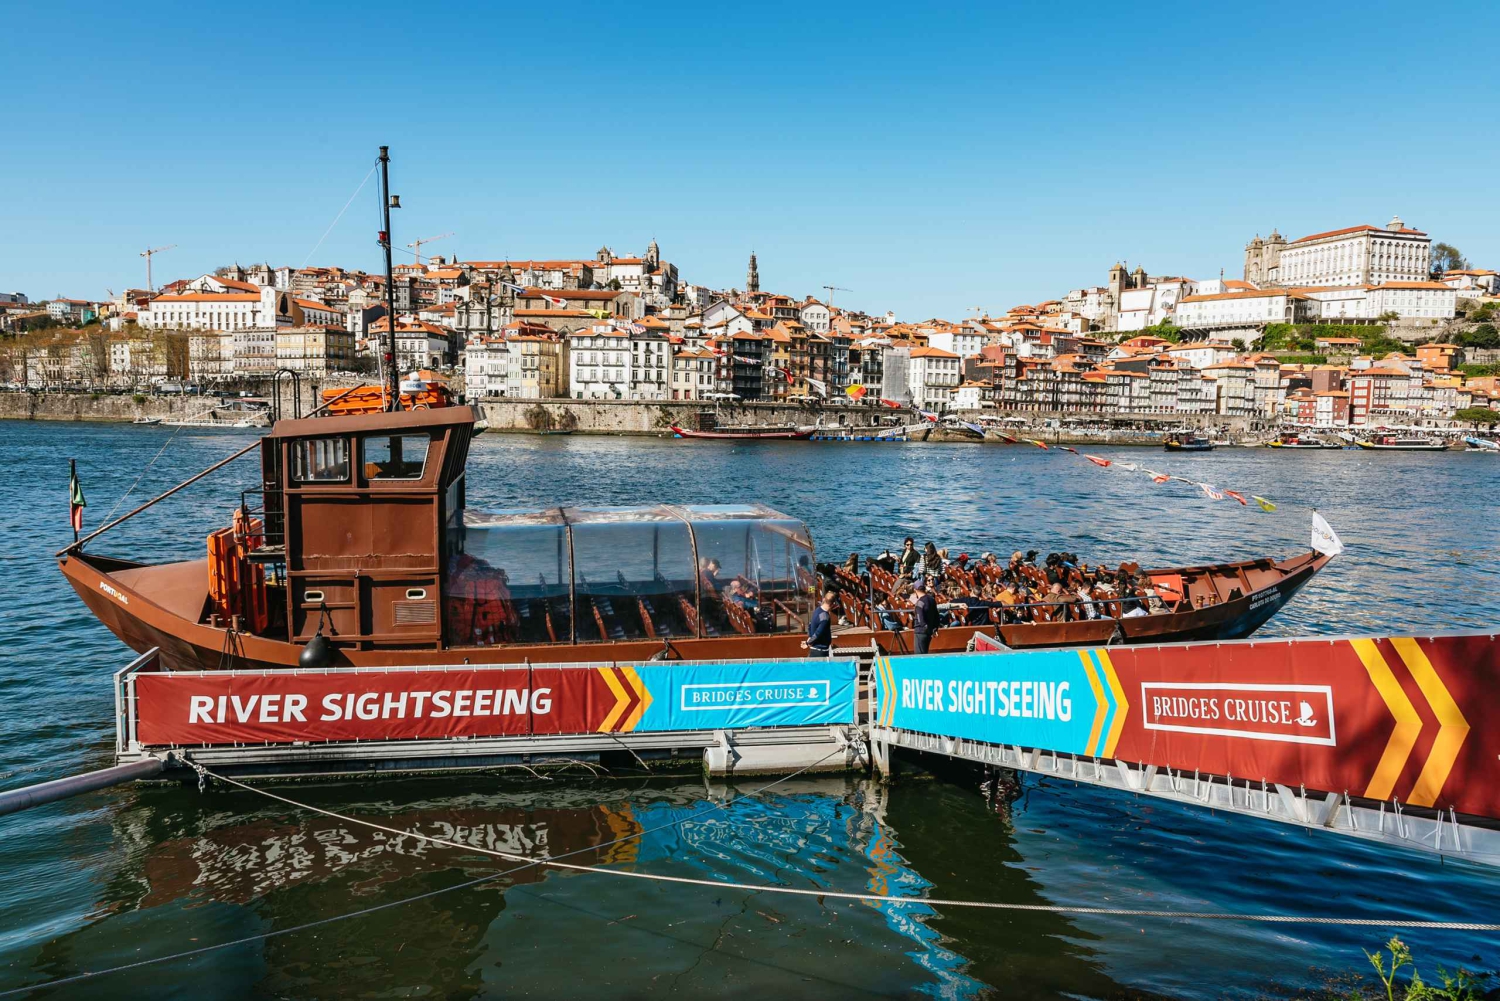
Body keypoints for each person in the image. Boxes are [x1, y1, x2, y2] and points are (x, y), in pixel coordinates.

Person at [802, 591, 837, 656]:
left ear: (824, 599)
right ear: (833, 604)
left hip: (814, 650)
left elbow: (810, 624)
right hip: (820, 652)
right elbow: (817, 634)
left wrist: (809, 637)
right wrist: (807, 643)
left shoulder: (817, 610)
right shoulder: (825, 617)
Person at [912, 579, 940, 654]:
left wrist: (925, 627)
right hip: (929, 632)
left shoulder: (920, 603)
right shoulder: (932, 600)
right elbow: (936, 616)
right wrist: (934, 629)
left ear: (915, 590)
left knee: (919, 656)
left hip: (920, 632)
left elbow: (920, 619)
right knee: (925, 653)